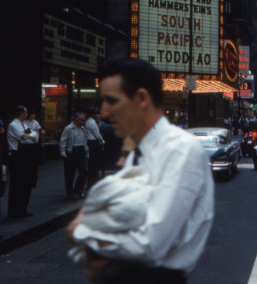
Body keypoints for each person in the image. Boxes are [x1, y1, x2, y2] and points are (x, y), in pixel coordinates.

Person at [67, 59, 214, 283]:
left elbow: (150, 243)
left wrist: (83, 233)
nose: (104, 112)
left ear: (142, 99)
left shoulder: (180, 149)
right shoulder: (139, 150)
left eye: (112, 101)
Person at [6, 105, 39, 218]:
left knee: (26, 183)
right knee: (17, 184)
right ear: (21, 113)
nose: (27, 114)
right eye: (25, 112)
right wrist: (31, 135)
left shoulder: (23, 124)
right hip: (17, 155)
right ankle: (14, 211)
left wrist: (31, 135)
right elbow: (25, 136)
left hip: (26, 154)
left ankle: (22, 209)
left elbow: (33, 135)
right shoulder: (13, 125)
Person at [60, 112, 89, 200]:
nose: (82, 122)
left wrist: (87, 153)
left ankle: (78, 189)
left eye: (83, 120)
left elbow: (85, 141)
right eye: (81, 120)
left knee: (84, 170)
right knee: (69, 174)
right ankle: (70, 192)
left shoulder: (83, 128)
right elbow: (63, 140)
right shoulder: (69, 128)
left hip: (81, 151)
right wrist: (63, 152)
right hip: (71, 151)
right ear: (76, 119)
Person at [84, 107, 105, 190]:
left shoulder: (88, 122)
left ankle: (91, 182)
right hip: (93, 143)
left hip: (89, 142)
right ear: (92, 114)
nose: (97, 115)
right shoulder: (92, 123)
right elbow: (97, 135)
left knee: (91, 164)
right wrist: (102, 142)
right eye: (95, 113)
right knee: (94, 164)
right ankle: (92, 182)